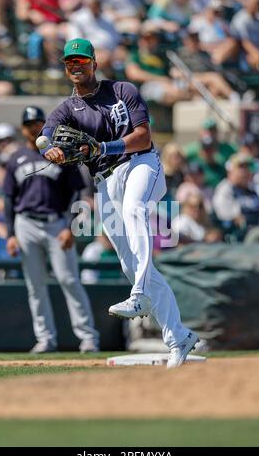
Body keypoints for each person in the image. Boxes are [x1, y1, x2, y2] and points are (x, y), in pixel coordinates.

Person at [42, 37, 199, 368]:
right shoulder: (68, 109)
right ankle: (179, 337)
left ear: (94, 64)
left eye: (81, 61)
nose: (75, 67)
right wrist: (48, 149)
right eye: (70, 62)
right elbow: (47, 130)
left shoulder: (122, 91)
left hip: (141, 164)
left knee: (134, 210)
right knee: (131, 264)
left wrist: (104, 148)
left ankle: (139, 296)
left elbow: (143, 136)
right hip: (105, 182)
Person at [3, 105, 99, 354]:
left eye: (38, 122)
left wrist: (69, 226)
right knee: (35, 286)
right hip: (25, 224)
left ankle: (88, 337)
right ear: (23, 129)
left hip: (56, 223)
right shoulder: (16, 158)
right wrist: (11, 234)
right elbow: (8, 199)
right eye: (30, 123)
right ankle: (45, 339)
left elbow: (77, 193)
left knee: (69, 280)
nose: (35, 127)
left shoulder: (61, 154)